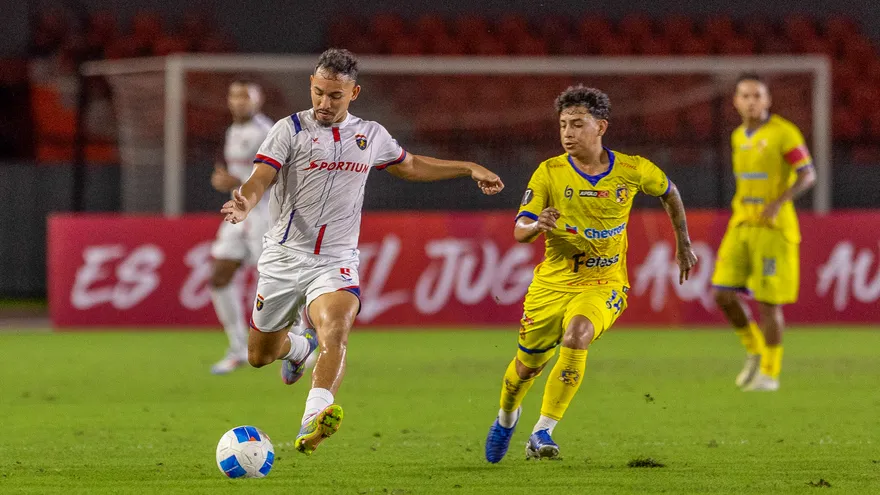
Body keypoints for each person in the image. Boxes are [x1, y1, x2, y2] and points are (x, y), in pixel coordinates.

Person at [221, 48, 504, 455]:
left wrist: (467, 167)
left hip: (335, 260)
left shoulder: (370, 135)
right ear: (311, 88)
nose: (324, 102)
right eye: (318, 92)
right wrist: (245, 201)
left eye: (335, 95)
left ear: (354, 92)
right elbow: (260, 175)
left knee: (335, 329)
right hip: (283, 258)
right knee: (259, 355)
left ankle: (312, 419)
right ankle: (298, 349)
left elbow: (410, 165)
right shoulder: (290, 129)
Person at [484, 85, 698, 463]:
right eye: (563, 125)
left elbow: (670, 191)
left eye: (577, 124)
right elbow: (519, 230)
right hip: (552, 284)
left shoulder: (632, 169)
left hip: (604, 283)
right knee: (525, 369)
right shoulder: (549, 172)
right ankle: (506, 418)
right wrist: (537, 226)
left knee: (578, 334)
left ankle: (543, 430)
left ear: (601, 127)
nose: (567, 132)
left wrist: (683, 243)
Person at [711, 73, 816, 392]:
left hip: (773, 228)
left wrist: (778, 202)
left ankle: (770, 373)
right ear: (736, 102)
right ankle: (754, 348)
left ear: (768, 100)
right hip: (742, 223)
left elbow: (807, 175)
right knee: (722, 293)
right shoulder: (738, 136)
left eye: (757, 95)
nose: (751, 101)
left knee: (769, 304)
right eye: (745, 95)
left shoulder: (784, 133)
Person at [209, 79, 274, 375]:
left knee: (276, 281)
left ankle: (299, 343)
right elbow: (239, 173)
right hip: (237, 213)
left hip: (264, 214)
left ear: (257, 102)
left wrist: (235, 181)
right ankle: (237, 348)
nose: (239, 102)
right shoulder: (232, 131)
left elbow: (274, 175)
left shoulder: (267, 132)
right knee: (219, 275)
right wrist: (228, 181)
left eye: (245, 97)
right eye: (234, 96)